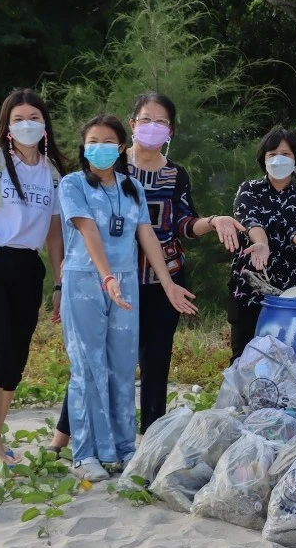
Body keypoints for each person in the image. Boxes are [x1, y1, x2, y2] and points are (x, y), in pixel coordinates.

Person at [46, 93, 245, 451]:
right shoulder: (110, 167)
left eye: (162, 122)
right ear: (132, 124)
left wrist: (213, 221)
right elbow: (82, 225)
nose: (153, 127)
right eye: (146, 120)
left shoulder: (174, 174)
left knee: (155, 362)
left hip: (161, 280)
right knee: (96, 358)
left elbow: (184, 222)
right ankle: (63, 436)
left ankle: (150, 441)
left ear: (170, 130)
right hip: (112, 278)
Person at [60, 114, 198, 482]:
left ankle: (123, 448)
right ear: (84, 145)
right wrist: (106, 275)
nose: (100, 148)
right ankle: (85, 452)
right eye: (93, 141)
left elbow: (146, 236)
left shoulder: (130, 187)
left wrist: (168, 284)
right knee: (87, 367)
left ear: (121, 147)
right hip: (86, 280)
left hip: (126, 282)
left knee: (122, 367)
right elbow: (88, 231)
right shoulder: (72, 184)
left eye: (108, 142)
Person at [0, 89, 67, 465]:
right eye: (18, 119)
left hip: (26, 266)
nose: (27, 125)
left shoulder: (53, 174)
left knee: (14, 360)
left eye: (34, 118)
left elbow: (55, 234)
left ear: (45, 124)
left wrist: (58, 282)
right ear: (7, 125)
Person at [228, 127, 296, 362]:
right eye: (272, 153)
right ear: (263, 159)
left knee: (287, 358)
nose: (278, 159)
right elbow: (250, 220)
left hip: (290, 291)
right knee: (244, 356)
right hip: (249, 288)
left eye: (285, 154)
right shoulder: (248, 190)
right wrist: (262, 243)